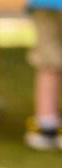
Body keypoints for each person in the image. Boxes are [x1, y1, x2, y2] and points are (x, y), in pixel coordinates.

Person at [28, 0, 61, 149]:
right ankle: (46, 125)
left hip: (45, 4)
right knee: (48, 63)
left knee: (48, 64)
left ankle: (45, 125)